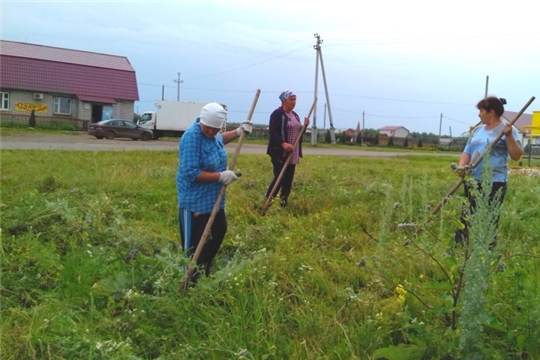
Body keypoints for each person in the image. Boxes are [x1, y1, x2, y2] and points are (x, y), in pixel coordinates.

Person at [176, 102, 252, 282]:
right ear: (201, 122)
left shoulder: (213, 135)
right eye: (208, 128)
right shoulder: (191, 138)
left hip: (214, 198)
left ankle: (203, 267)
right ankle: (189, 278)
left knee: (219, 231)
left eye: (215, 129)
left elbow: (218, 140)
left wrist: (238, 132)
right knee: (193, 244)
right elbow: (190, 172)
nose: (211, 132)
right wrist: (220, 176)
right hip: (194, 201)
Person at [454, 96, 522, 245]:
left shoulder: (508, 130)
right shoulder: (477, 131)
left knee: (489, 218)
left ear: (491, 112)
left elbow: (516, 156)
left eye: (481, 111)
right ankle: (459, 247)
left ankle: (487, 251)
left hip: (495, 181)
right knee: (466, 215)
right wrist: (461, 168)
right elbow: (467, 152)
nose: (479, 114)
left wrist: (509, 136)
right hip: (473, 180)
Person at [265, 90, 310, 208]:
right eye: (291, 99)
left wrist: (305, 126)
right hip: (280, 152)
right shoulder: (277, 114)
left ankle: (283, 203)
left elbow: (299, 132)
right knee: (280, 178)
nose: (294, 102)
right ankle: (267, 202)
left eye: (295, 99)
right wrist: (283, 144)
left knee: (288, 179)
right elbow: (273, 132)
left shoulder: (295, 115)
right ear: (284, 101)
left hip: (292, 152)